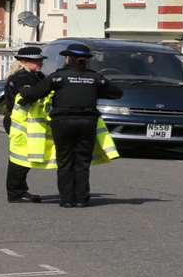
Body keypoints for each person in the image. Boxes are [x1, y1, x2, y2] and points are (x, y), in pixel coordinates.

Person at [19, 43, 122, 208]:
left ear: (68, 58)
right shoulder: (95, 77)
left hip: (63, 122)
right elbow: (117, 93)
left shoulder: (58, 77)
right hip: (87, 122)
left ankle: (67, 199)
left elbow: (35, 93)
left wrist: (24, 90)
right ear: (86, 60)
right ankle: (81, 199)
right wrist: (94, 90)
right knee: (82, 161)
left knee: (65, 160)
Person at [0, 45, 50, 203]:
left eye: (41, 60)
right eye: (36, 61)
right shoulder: (22, 77)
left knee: (26, 158)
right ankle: (15, 192)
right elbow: (28, 95)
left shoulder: (37, 75)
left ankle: (20, 189)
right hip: (18, 121)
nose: (40, 63)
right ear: (24, 61)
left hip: (30, 121)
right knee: (19, 158)